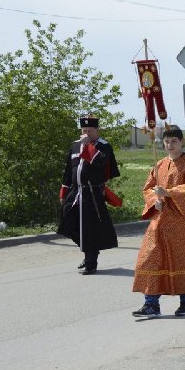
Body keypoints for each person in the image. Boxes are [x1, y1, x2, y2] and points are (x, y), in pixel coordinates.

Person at [131, 125, 185, 318]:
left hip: (183, 224)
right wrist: (153, 200)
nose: (170, 145)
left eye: (174, 141)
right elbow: (148, 189)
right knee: (150, 258)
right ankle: (151, 304)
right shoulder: (159, 165)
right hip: (160, 222)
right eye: (166, 141)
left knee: (182, 260)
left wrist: (169, 193)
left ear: (182, 142)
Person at [57, 115, 120, 275]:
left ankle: (91, 262)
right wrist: (64, 191)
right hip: (75, 191)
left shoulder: (104, 146)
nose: (86, 134)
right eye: (83, 130)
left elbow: (99, 163)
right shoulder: (75, 145)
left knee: (89, 228)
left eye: (89, 130)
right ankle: (88, 250)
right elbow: (68, 170)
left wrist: (87, 146)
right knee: (68, 222)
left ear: (97, 130)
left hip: (92, 192)